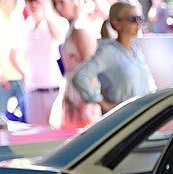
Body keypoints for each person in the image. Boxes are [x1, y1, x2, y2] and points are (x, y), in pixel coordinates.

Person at [69, 1, 155, 111]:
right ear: (116, 23)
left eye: (140, 18)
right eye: (133, 19)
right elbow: (80, 77)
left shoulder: (136, 49)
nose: (138, 23)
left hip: (143, 115)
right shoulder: (108, 51)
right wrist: (103, 104)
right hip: (124, 118)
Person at [51, 0, 99, 128]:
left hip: (80, 98)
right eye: (55, 4)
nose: (58, 8)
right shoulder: (74, 27)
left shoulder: (80, 28)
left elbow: (91, 70)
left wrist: (86, 104)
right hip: (72, 94)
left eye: (61, 2)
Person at [20, 0, 68, 126]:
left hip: (54, 90)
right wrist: (25, 75)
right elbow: (16, 54)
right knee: (35, 133)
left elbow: (57, 34)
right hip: (33, 92)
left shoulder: (58, 22)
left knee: (56, 131)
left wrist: (47, 10)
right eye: (29, 1)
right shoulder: (26, 26)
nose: (33, 4)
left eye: (37, 1)